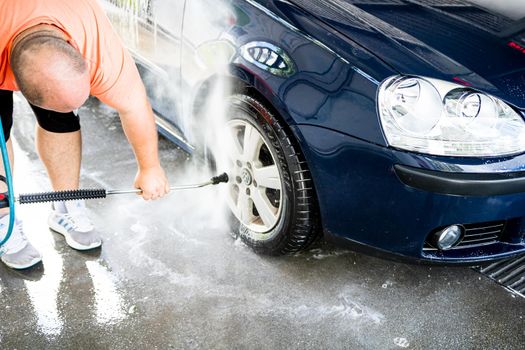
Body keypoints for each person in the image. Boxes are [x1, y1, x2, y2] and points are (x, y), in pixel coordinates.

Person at [0, 0, 170, 269]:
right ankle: (2, 213)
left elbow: (135, 104)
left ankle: (65, 202)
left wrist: (149, 167)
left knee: (61, 118)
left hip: (54, 20)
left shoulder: (98, 46)